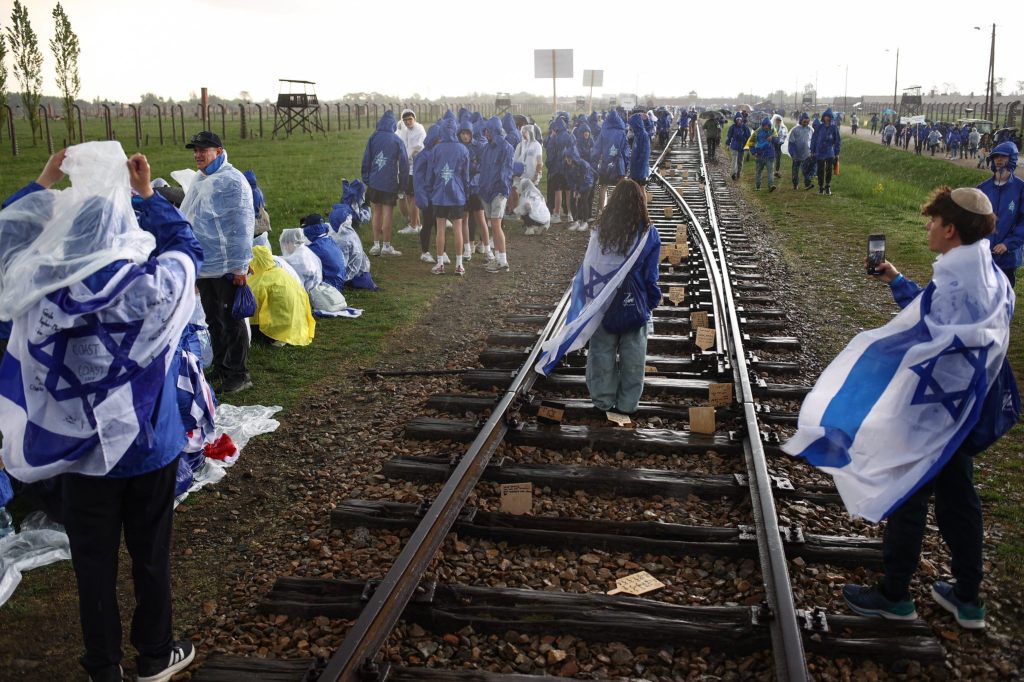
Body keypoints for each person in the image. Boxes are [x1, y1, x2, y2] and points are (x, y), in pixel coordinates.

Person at [0, 145, 200, 682]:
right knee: (151, 556)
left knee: (93, 565)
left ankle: (103, 667)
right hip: (148, 447)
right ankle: (155, 656)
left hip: (78, 456)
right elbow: (187, 247)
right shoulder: (154, 289)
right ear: (123, 230)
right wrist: (148, 195)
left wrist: (42, 185)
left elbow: (5, 245)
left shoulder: (34, 294)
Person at [822, 187, 1014, 631]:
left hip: (933, 411)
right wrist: (898, 281)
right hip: (966, 407)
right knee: (959, 501)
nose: (927, 227)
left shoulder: (955, 280)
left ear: (950, 229)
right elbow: (949, 324)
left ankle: (895, 594)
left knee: (908, 494)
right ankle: (968, 597)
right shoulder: (992, 276)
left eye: (932, 221)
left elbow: (928, 333)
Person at [532, 178, 661, 415]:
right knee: (633, 358)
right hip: (634, 306)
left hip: (602, 304)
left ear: (612, 203)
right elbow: (651, 276)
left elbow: (589, 267)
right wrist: (651, 302)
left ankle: (603, 400)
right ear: (640, 202)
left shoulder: (600, 231)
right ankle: (627, 404)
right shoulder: (647, 233)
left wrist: (592, 299)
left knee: (601, 354)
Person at [180, 131, 254, 394]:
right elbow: (189, 217)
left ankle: (239, 373)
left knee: (231, 319)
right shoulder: (200, 180)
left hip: (226, 265)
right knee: (214, 318)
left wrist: (239, 266)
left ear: (219, 152)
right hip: (205, 263)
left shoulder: (232, 181)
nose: (198, 155)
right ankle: (222, 366)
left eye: (204, 150)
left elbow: (242, 226)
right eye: (196, 151)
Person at [361, 110, 410, 256]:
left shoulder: (373, 138)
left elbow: (366, 159)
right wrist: (402, 185)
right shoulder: (397, 140)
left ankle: (375, 245)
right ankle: (386, 246)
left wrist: (367, 178)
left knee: (376, 212)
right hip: (389, 183)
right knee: (388, 212)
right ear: (393, 125)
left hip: (374, 182)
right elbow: (404, 165)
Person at [248, 244, 316, 347]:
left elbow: (249, 308)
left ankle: (271, 337)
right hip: (297, 324)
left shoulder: (260, 280)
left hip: (277, 328)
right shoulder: (282, 273)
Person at [428, 116, 471, 275]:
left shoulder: (436, 149)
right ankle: (459, 265)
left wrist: (430, 190)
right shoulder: (463, 149)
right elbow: (466, 176)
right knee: (458, 229)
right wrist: (466, 193)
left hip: (439, 194)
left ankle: (440, 264)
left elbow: (430, 174)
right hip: (457, 194)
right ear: (456, 131)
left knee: (440, 229)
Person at [977, 142, 1024, 286]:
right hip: (984, 255)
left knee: (1004, 298)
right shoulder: (982, 188)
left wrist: (1008, 244)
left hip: (1007, 257)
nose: (998, 160)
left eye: (1003, 157)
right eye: (996, 156)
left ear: (1012, 159)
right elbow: (974, 219)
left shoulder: (1020, 188)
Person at [478, 117, 514, 273]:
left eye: (487, 131)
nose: (485, 134)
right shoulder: (487, 148)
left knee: (496, 225)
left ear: (493, 130)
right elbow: (484, 169)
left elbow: (506, 172)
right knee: (494, 225)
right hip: (487, 190)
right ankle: (499, 259)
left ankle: (502, 260)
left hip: (498, 191)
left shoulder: (506, 147)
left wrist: (502, 190)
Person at [396, 109, 425, 235]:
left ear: (415, 118)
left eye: (410, 119)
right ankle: (417, 223)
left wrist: (404, 158)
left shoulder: (418, 129)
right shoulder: (406, 129)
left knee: (413, 198)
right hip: (408, 168)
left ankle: (413, 226)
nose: (408, 122)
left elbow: (415, 147)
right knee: (409, 195)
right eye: (405, 120)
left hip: (416, 168)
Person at [810, 108, 841, 195]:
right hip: (819, 151)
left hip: (829, 151)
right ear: (823, 117)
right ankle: (821, 187)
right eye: (826, 116)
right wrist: (812, 150)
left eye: (829, 116)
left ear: (831, 118)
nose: (827, 118)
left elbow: (837, 141)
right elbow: (814, 139)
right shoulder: (819, 127)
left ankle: (827, 186)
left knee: (828, 169)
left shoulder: (834, 128)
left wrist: (836, 153)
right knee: (820, 170)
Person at [750, 117, 779, 192]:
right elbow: (751, 142)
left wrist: (772, 138)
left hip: (770, 155)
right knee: (759, 172)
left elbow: (777, 141)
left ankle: (770, 186)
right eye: (765, 126)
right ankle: (758, 187)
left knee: (770, 172)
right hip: (759, 155)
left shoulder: (773, 131)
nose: (767, 128)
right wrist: (753, 152)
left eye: (768, 126)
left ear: (770, 125)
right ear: (762, 125)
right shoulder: (757, 132)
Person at [788, 112, 815, 190]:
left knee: (806, 170)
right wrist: (793, 153)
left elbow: (813, 141)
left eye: (807, 121)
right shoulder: (795, 130)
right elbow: (791, 143)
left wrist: (812, 151)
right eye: (804, 121)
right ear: (801, 120)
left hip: (807, 154)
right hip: (796, 154)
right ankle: (795, 184)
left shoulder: (811, 130)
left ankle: (807, 184)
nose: (806, 123)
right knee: (795, 171)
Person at [627, 112, 651, 186]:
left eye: (632, 125)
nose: (630, 127)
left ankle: (643, 198)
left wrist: (639, 171)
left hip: (640, 169)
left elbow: (645, 154)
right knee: (638, 189)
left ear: (636, 124)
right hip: (636, 169)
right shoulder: (637, 135)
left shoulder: (643, 135)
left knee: (640, 188)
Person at [726, 113, 751, 181]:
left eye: (740, 119)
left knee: (740, 161)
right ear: (735, 120)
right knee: (734, 160)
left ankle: (738, 173)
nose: (739, 121)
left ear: (742, 119)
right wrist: (728, 144)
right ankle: (733, 173)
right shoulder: (732, 127)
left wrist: (748, 145)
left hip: (742, 147)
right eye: (737, 119)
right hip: (734, 146)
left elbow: (749, 137)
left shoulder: (745, 127)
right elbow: (729, 136)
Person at [771, 114, 788, 178]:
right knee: (772, 158)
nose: (778, 121)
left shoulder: (783, 127)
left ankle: (776, 171)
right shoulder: (771, 127)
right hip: (772, 145)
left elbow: (785, 135)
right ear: (775, 120)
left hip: (779, 145)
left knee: (778, 158)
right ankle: (771, 171)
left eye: (779, 120)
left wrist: (781, 140)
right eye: (777, 120)